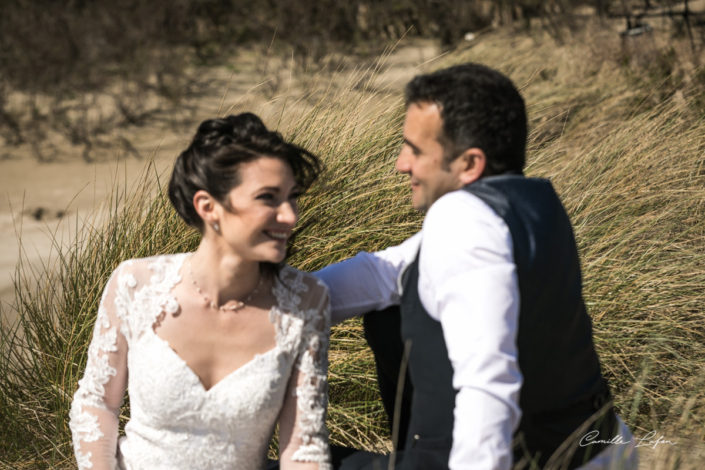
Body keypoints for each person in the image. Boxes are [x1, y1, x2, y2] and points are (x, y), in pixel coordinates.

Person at [315, 63, 638, 469]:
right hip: (603, 451)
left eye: (415, 149)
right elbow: (384, 272)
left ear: (470, 164)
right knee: (388, 310)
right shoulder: (529, 207)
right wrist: (274, 301)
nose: (401, 164)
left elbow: (489, 386)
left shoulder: (462, 220)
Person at [69, 113, 332, 470]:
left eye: (292, 198)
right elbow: (97, 403)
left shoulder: (306, 302)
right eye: (269, 198)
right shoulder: (136, 283)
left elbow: (304, 449)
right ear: (208, 207)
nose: (289, 215)